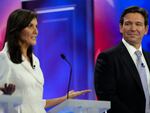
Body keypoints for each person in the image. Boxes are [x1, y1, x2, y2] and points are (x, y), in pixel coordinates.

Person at [0, 9, 91, 113]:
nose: (36, 31)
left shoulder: (35, 60)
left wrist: (65, 98)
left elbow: (37, 103)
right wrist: (6, 97)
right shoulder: (4, 59)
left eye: (36, 26)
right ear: (17, 29)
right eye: (30, 26)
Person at [94, 6, 150, 113]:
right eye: (128, 24)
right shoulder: (107, 58)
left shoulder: (149, 58)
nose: (133, 28)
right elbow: (107, 98)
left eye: (138, 24)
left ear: (146, 29)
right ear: (121, 27)